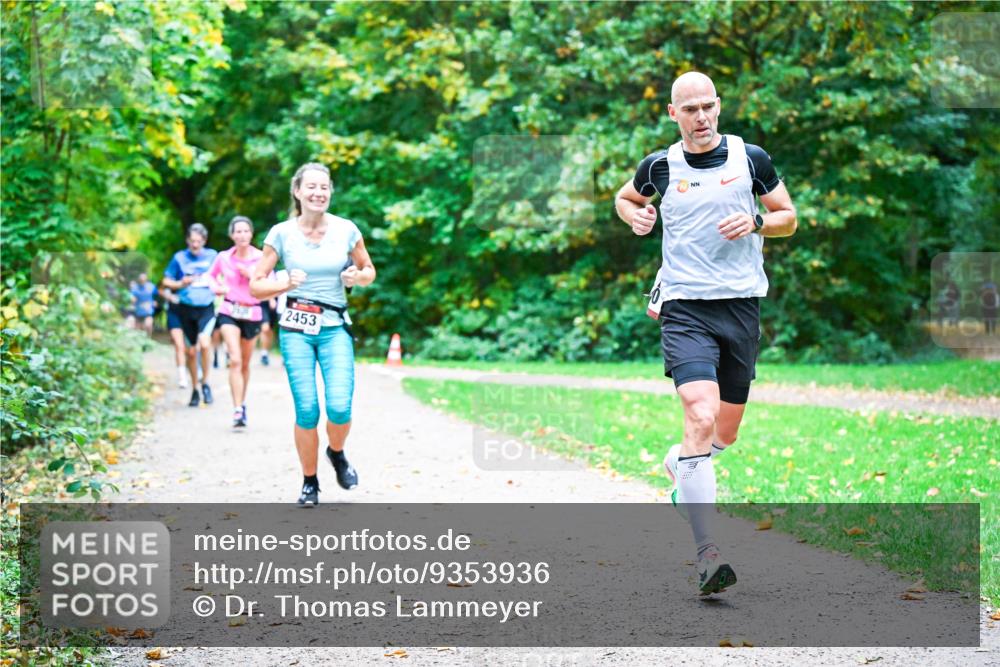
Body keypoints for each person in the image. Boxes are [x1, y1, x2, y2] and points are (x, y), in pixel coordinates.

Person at [614, 72, 797, 594]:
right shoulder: (660, 166)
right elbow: (625, 198)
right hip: (684, 306)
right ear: (673, 114)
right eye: (689, 109)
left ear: (719, 106)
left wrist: (758, 224)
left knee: (726, 431)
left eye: (708, 106)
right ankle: (707, 554)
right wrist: (636, 216)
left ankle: (682, 467)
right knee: (699, 413)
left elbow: (788, 215)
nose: (701, 117)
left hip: (739, 306)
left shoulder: (751, 158)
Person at [250, 162, 375, 506]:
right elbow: (255, 284)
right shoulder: (281, 233)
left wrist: (356, 278)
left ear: (330, 191)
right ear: (298, 191)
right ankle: (309, 482)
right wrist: (282, 282)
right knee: (307, 410)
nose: (318, 193)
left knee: (339, 407)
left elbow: (368, 270)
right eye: (312, 187)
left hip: (334, 328)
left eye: (324, 187)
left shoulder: (346, 229)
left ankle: (337, 452)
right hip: (296, 330)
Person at [209, 215, 266, 428]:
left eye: (245, 231)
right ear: (232, 235)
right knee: (234, 359)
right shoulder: (223, 257)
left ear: (251, 234)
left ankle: (242, 401)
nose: (242, 235)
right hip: (229, 310)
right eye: (238, 231)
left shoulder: (261, 257)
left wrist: (252, 275)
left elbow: (269, 282)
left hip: (252, 312)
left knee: (244, 363)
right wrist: (216, 288)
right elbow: (211, 276)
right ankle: (237, 409)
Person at [161, 223, 219, 407]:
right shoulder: (179, 258)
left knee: (205, 342)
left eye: (199, 241)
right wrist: (180, 284)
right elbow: (166, 281)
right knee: (191, 353)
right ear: (187, 240)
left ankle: (206, 382)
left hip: (206, 308)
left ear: (204, 241)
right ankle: (195, 389)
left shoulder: (213, 256)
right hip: (186, 309)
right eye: (192, 241)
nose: (195, 245)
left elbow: (224, 276)